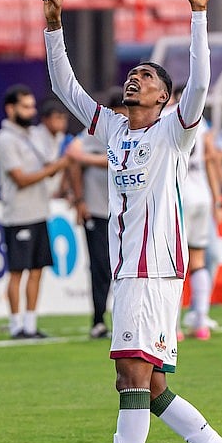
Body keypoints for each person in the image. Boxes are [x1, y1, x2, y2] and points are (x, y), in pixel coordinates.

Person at [43, 0, 222, 443]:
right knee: (151, 384)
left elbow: (203, 83)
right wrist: (53, 27)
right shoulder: (116, 129)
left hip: (153, 269)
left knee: (131, 377)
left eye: (147, 76)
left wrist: (198, 15)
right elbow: (64, 88)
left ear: (165, 97)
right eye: (134, 72)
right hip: (131, 271)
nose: (135, 78)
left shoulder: (174, 131)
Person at [0, 84, 70, 339]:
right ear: (10, 109)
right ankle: (15, 324)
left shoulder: (34, 135)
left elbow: (47, 166)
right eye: (25, 107)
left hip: (39, 210)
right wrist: (58, 165)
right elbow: (21, 178)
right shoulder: (5, 139)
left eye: (31, 106)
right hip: (18, 214)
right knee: (17, 271)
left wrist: (57, 165)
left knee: (37, 270)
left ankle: (30, 323)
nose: (31, 111)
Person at [166, 84, 222, 341]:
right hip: (202, 193)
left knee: (174, 262)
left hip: (181, 192)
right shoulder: (202, 122)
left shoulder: (168, 116)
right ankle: (201, 322)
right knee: (199, 261)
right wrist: (217, 198)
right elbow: (212, 156)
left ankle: (174, 326)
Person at [66, 92, 126, 339]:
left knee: (124, 268)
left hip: (126, 211)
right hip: (99, 208)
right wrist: (79, 199)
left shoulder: (137, 130)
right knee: (101, 266)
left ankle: (123, 321)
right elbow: (72, 155)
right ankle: (98, 319)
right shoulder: (98, 130)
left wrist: (90, 159)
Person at [30, 100, 71, 198]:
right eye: (58, 118)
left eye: (64, 118)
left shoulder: (62, 138)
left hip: (56, 195)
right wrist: (66, 160)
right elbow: (48, 168)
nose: (62, 122)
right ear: (45, 119)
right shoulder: (34, 135)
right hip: (36, 194)